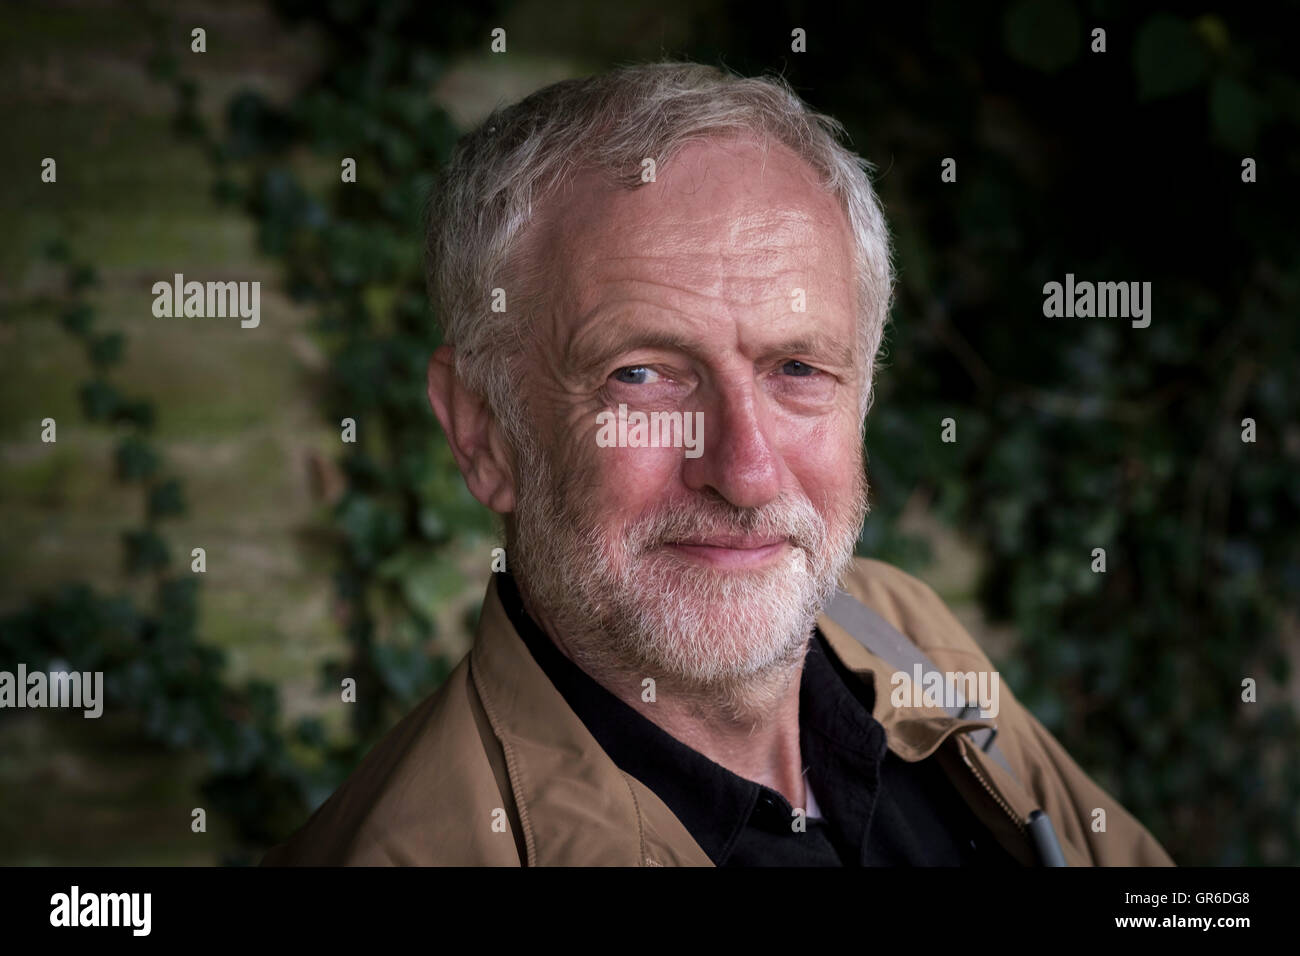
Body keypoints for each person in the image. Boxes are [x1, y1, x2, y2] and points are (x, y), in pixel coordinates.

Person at [262, 62, 1174, 866]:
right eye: (645, 375)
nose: (744, 472)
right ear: (482, 431)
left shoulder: (895, 628)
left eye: (798, 369)